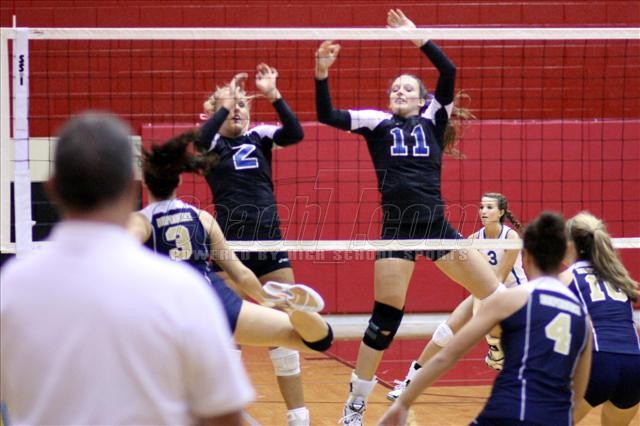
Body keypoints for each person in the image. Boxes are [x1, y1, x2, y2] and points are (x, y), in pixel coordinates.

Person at [0, 112, 254, 425]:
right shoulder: (182, 290)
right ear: (129, 189)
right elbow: (223, 416)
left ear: (52, 188)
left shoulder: (12, 287)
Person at [315, 9, 503, 424]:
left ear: (422, 99)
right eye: (395, 88)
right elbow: (327, 116)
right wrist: (322, 73)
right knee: (385, 319)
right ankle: (356, 403)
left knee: (497, 297)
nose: (399, 91)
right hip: (397, 229)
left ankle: (492, 353)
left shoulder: (435, 118)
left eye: (408, 88)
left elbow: (448, 71)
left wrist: (416, 36)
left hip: (436, 227)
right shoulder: (376, 123)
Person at [127, 130, 333, 355]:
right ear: (179, 180)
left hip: (167, 310)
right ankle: (293, 308)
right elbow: (240, 274)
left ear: (145, 182)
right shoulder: (202, 218)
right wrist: (267, 299)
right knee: (319, 341)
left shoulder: (140, 222)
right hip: (214, 304)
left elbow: (116, 259)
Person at [378, 211, 593, 426]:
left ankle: (494, 349)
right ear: (563, 253)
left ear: (526, 256)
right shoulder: (582, 316)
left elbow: (448, 356)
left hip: (509, 411)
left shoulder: (511, 299)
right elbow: (579, 389)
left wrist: (403, 403)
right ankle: (495, 349)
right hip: (556, 417)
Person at [194, 65, 311, 426]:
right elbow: (199, 139)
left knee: (285, 328)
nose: (238, 109)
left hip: (269, 243)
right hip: (229, 249)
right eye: (231, 105)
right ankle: (229, 412)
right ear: (215, 112)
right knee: (228, 332)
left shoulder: (259, 137)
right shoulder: (211, 144)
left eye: (243, 104)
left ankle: (299, 417)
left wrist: (273, 95)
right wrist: (224, 106)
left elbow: (295, 133)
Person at [386, 193, 526, 401]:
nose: (484, 211)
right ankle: (410, 382)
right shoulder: (473, 240)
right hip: (485, 294)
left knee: (519, 337)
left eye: (489, 207)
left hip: (514, 294)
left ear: (501, 212)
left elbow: (499, 279)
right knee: (444, 332)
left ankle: (497, 349)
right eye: (481, 207)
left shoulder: (511, 237)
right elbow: (470, 276)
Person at [560, 212, 640, 426]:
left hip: (598, 362)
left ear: (570, 245)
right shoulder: (618, 276)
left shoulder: (566, 278)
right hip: (635, 365)